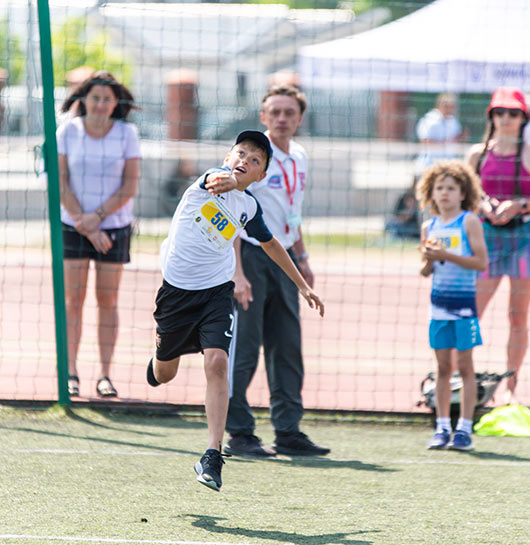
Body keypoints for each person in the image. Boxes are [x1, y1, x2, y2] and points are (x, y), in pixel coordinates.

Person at [146, 130, 324, 492]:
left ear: (261, 176)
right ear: (228, 157)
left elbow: (273, 245)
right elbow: (219, 179)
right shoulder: (206, 183)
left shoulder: (249, 207)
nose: (245, 160)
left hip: (216, 293)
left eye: (255, 160)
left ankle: (212, 454)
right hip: (177, 295)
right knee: (165, 373)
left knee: (217, 363)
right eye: (240, 153)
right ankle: (160, 356)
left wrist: (302, 285)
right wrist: (226, 177)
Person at [224, 84, 330, 458]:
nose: (282, 119)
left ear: (300, 118)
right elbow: (229, 213)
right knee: (245, 348)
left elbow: (292, 213)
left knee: (287, 346)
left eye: (290, 113)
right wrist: (236, 271)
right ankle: (238, 431)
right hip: (250, 257)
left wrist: (302, 260)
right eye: (275, 112)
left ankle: (288, 430)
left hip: (284, 258)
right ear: (263, 116)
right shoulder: (249, 157)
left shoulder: (298, 156)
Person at [467, 87, 530, 405]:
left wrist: (518, 205)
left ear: (523, 118)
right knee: (471, 313)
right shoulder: (477, 154)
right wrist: (484, 205)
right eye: (500, 112)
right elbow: (468, 197)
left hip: (524, 241)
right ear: (492, 116)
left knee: (517, 316)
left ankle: (509, 387)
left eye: (513, 113)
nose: (506, 119)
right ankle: (467, 381)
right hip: (486, 241)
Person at [57, 71, 141, 399]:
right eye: (95, 97)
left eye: (108, 99)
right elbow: (60, 182)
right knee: (72, 301)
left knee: (107, 300)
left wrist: (99, 219)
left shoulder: (127, 134)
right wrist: (85, 223)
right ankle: (70, 373)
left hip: (114, 227)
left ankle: (105, 375)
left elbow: (130, 185)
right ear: (83, 99)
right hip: (74, 225)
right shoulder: (67, 131)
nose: (101, 104)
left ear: (116, 102)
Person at [416, 160, 488, 451]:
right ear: (431, 193)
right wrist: (431, 258)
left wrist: (448, 254)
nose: (445, 193)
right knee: (443, 368)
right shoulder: (429, 225)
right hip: (439, 308)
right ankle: (442, 427)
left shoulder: (469, 221)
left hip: (464, 307)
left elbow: (481, 263)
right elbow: (425, 271)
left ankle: (465, 429)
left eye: (451, 188)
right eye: (439, 188)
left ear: (463, 193)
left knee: (466, 367)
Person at [415, 93, 465, 172]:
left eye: (452, 107)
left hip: (449, 166)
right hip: (429, 165)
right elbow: (425, 141)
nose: (450, 109)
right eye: (447, 106)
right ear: (439, 105)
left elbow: (457, 140)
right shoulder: (428, 120)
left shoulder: (454, 122)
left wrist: (460, 138)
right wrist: (446, 143)